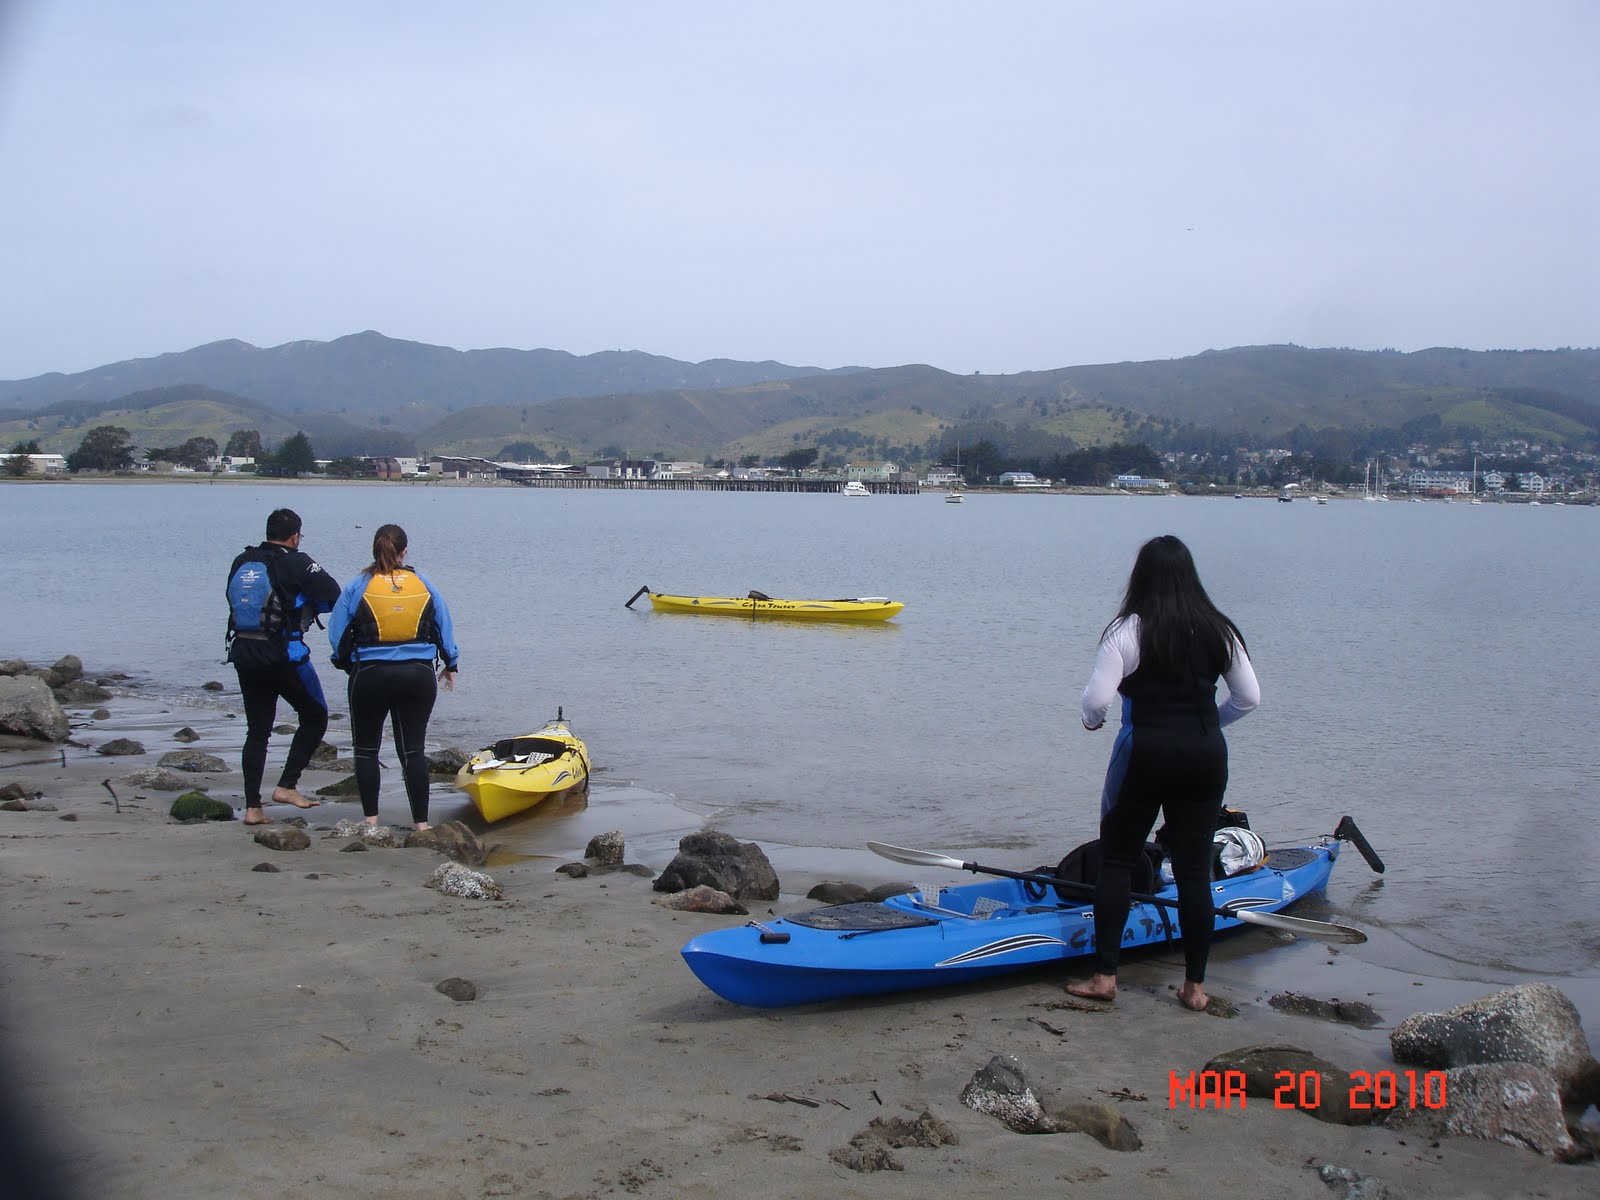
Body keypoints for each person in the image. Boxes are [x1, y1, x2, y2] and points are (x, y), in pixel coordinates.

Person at [1068, 534, 1260, 1012]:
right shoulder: (1221, 629)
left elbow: (1096, 700)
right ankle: (1195, 988)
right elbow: (1249, 698)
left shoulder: (1128, 629)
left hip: (1145, 749)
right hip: (1204, 752)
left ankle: (1105, 977)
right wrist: (1209, 721)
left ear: (1141, 577)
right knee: (1194, 868)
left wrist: (1093, 723)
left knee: (1117, 859)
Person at [327, 524, 459, 831]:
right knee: (413, 751)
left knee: (366, 749)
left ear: (375, 550)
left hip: (370, 675)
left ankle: (371, 822)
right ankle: (422, 826)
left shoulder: (358, 585)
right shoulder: (424, 583)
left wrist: (346, 664)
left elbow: (336, 635)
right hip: (418, 676)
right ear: (404, 552)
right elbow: (445, 626)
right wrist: (451, 663)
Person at [224, 508, 342, 825]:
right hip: (283, 656)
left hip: (245, 652)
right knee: (315, 716)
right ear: (294, 537)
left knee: (258, 730)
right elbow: (334, 594)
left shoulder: (243, 561)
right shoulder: (297, 561)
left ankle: (253, 809)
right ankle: (287, 786)